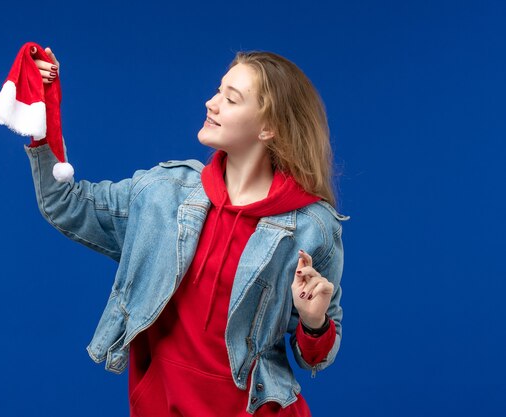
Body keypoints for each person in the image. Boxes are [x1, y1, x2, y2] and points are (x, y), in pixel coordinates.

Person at [25, 46, 349, 416]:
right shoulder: (164, 193)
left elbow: (316, 358)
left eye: (231, 99)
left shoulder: (313, 227)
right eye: (217, 91)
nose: (211, 103)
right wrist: (43, 110)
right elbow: (64, 202)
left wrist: (313, 320)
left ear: (268, 127)